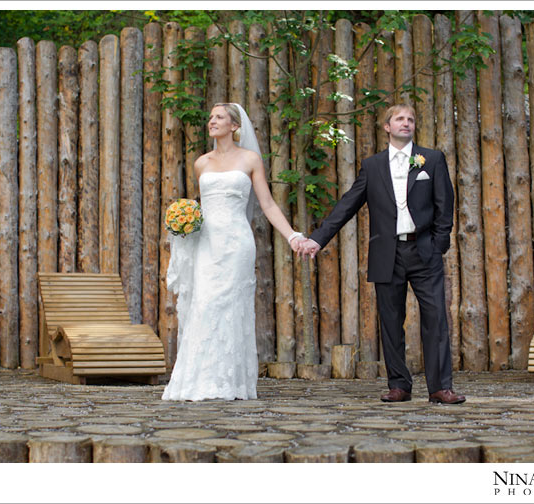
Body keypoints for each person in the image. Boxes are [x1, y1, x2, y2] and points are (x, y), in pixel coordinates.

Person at [299, 104, 465, 404]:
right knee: (390, 321)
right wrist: (317, 240)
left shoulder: (432, 160)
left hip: (424, 249)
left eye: (411, 119)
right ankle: (399, 385)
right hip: (387, 252)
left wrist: (438, 244)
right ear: (387, 126)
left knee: (436, 317)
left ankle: (440, 387)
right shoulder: (373, 166)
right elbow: (348, 204)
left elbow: (445, 205)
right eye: (400, 119)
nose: (407, 123)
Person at [163, 103, 306, 401]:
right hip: (207, 244)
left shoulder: (251, 159)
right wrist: (184, 220)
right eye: (211, 117)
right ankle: (198, 381)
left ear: (234, 126)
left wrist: (292, 235)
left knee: (231, 308)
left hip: (237, 244)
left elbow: (266, 204)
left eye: (219, 117)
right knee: (205, 304)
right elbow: (203, 206)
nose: (212, 121)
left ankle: (231, 382)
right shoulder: (201, 163)